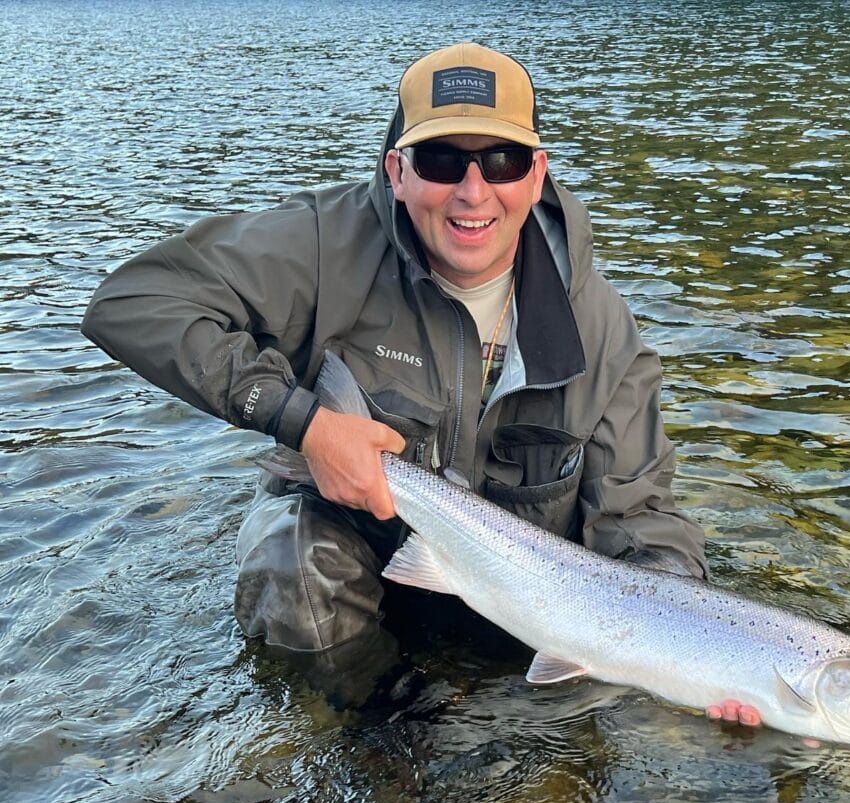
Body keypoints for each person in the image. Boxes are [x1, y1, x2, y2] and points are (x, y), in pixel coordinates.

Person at [81, 43, 760, 726]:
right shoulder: (325, 245)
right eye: (441, 160)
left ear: (537, 175)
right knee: (292, 563)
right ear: (396, 171)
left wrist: (708, 653)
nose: (473, 191)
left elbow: (641, 513)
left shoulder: (601, 327)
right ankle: (375, 739)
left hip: (524, 601)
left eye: (502, 160)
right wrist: (304, 423)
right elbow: (133, 302)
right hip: (365, 560)